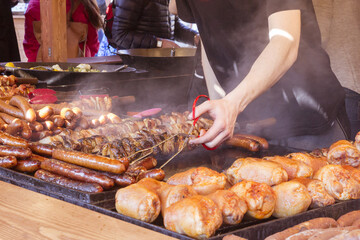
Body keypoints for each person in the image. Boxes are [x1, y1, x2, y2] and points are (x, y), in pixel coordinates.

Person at [170, 0, 350, 151]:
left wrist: (232, 103)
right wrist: (219, 107)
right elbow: (208, 39)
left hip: (308, 124)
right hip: (247, 129)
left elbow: (285, 41)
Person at [313, 0, 360, 140]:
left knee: (343, 153)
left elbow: (318, 36)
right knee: (354, 153)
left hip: (340, 82)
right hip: (354, 81)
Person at [23, 0, 102, 62]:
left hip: (42, 71)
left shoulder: (34, 4)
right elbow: (93, 45)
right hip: (78, 72)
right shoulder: (85, 5)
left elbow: (30, 47)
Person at [111, 0, 198, 50]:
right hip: (136, 65)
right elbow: (120, 35)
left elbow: (175, 28)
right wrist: (159, 43)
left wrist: (196, 38)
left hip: (161, 62)